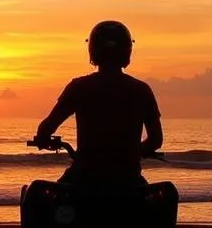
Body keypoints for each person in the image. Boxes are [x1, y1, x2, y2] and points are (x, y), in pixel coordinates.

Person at [33, 20, 163, 188]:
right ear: (127, 51)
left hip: (84, 178)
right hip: (128, 181)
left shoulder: (79, 87)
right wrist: (130, 154)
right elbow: (156, 140)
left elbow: (46, 128)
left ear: (93, 50)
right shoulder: (142, 90)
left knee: (40, 201)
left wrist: (44, 139)